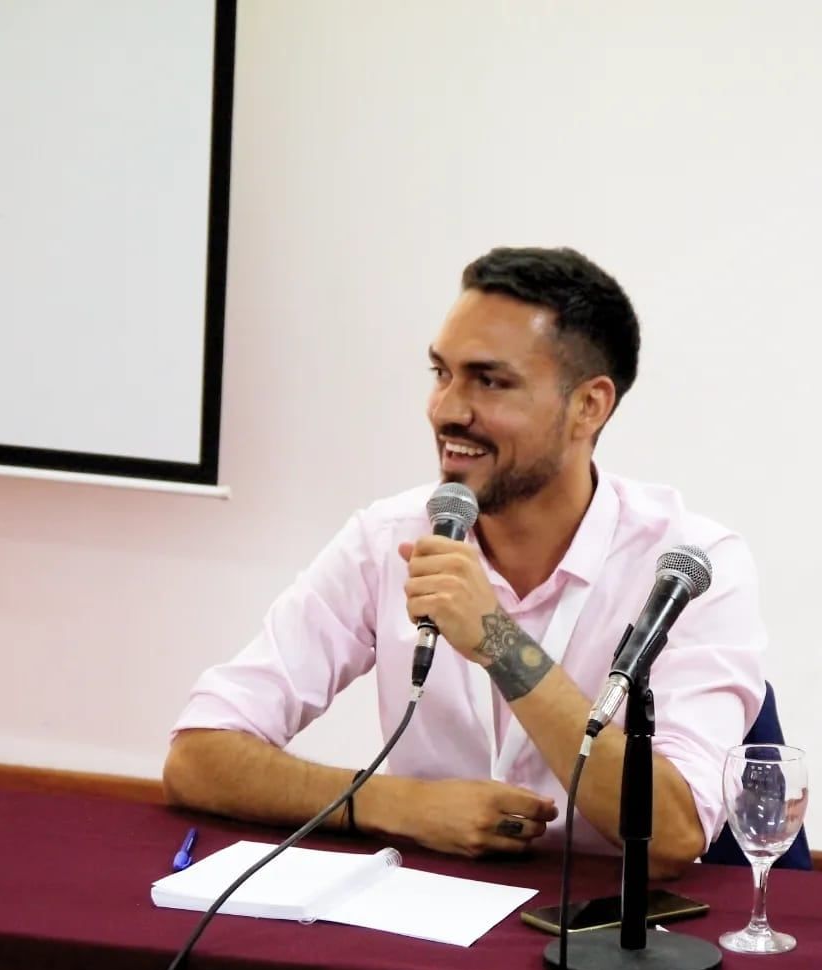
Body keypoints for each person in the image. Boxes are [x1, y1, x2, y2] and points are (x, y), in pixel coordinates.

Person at [163, 247, 766, 878]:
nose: (447, 409)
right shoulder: (389, 538)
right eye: (441, 374)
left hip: (607, 933)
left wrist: (501, 644)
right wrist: (400, 805)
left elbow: (672, 834)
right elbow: (197, 757)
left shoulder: (687, 566)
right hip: (431, 918)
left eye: (490, 381)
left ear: (589, 406)